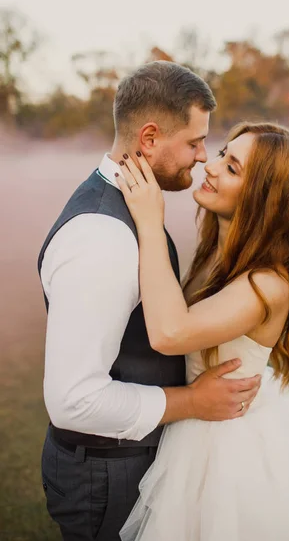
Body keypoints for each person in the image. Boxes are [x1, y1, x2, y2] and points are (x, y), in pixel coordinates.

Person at [116, 122, 289, 541]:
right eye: (222, 154)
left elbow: (168, 332)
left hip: (231, 449)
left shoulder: (265, 284)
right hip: (203, 420)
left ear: (264, 200)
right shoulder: (218, 255)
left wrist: (148, 221)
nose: (211, 167)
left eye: (232, 168)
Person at [38, 61, 262, 541]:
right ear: (150, 138)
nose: (203, 157)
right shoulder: (101, 238)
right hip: (106, 475)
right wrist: (193, 401)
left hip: (123, 461)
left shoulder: (131, 208)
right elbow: (73, 402)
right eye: (194, 142)